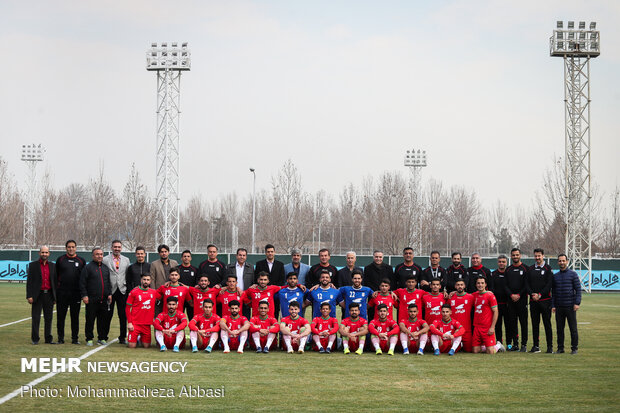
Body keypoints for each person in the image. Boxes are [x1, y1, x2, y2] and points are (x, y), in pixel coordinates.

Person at [55, 240, 86, 344]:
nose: (71, 249)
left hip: (76, 294)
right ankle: (60, 338)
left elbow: (84, 279)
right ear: (66, 248)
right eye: (69, 247)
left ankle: (75, 339)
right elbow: (55, 277)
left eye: (73, 247)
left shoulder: (81, 261)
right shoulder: (60, 260)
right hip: (62, 294)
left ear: (76, 248)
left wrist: (83, 293)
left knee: (75, 317)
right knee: (60, 317)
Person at [80, 247, 112, 346]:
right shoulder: (88, 268)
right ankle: (89, 338)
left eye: (101, 254)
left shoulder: (105, 268)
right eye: (97, 254)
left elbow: (108, 283)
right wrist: (84, 295)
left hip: (104, 299)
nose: (99, 256)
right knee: (90, 320)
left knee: (102, 321)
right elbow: (82, 283)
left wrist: (109, 294)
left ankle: (102, 338)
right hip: (91, 299)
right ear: (93, 256)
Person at [26, 246, 58, 345]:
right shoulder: (33, 265)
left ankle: (48, 339)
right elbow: (29, 282)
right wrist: (29, 295)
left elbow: (55, 282)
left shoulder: (53, 266)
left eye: (46, 252)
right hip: (37, 295)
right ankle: (35, 339)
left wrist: (55, 297)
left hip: (49, 294)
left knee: (49, 318)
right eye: (43, 252)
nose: (44, 254)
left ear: (49, 254)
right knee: (36, 318)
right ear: (39, 253)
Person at [552, 254, 581, 355]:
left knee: (573, 329)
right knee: (559, 329)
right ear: (558, 262)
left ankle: (574, 348)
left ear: (567, 261)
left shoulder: (573, 274)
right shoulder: (555, 276)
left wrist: (577, 303)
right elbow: (554, 293)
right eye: (560, 261)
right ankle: (560, 348)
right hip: (559, 307)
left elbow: (578, 290)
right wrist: (553, 305)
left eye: (563, 261)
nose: (562, 263)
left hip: (570, 306)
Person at [102, 240, 130, 344]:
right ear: (111, 247)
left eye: (119, 247)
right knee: (107, 315)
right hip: (110, 291)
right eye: (115, 247)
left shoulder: (126, 260)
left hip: (122, 291)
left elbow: (126, 274)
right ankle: (104, 336)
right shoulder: (105, 260)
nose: (117, 249)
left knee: (123, 316)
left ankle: (122, 337)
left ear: (121, 248)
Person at [526, 248, 554, 354]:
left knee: (547, 324)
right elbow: (527, 284)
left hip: (545, 301)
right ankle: (536, 346)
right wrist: (532, 294)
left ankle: (550, 347)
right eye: (536, 256)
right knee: (535, 324)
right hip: (533, 301)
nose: (537, 258)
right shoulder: (530, 269)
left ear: (543, 256)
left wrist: (540, 295)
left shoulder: (548, 269)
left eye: (539, 256)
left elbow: (549, 285)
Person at [505, 248, 529, 352]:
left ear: (520, 255)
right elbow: (505, 285)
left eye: (517, 255)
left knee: (524, 323)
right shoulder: (508, 269)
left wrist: (519, 294)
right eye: (513, 255)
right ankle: (515, 344)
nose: (515, 257)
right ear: (511, 256)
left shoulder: (525, 268)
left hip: (522, 300)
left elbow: (526, 285)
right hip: (511, 301)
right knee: (512, 323)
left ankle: (524, 344)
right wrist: (511, 295)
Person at [472, 276, 503, 354]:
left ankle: (498, 345)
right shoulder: (474, 295)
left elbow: (496, 312)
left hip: (487, 327)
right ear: (476, 285)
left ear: (485, 284)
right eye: (478, 283)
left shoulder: (490, 295)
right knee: (475, 351)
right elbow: (464, 295)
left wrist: (492, 327)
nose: (480, 285)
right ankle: (484, 346)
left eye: (482, 283)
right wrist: (453, 292)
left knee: (490, 352)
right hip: (477, 327)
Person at [125, 273, 157, 348]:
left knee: (146, 346)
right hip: (135, 323)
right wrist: (129, 323)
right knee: (131, 346)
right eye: (144, 279)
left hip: (147, 324)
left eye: (148, 280)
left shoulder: (154, 292)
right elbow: (127, 308)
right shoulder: (134, 292)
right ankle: (132, 337)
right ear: (141, 280)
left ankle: (139, 338)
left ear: (150, 281)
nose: (146, 281)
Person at [491, 255, 511, 348]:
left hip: (508, 304)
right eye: (500, 261)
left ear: (506, 262)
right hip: (497, 305)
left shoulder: (509, 273)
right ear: (497, 262)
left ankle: (509, 343)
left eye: (503, 261)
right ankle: (499, 342)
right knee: (497, 325)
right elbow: (492, 289)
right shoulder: (494, 274)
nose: (501, 263)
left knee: (509, 324)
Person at [449, 279, 474, 352]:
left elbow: (480, 294)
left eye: (461, 285)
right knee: (453, 349)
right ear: (455, 286)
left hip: (467, 330)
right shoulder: (450, 297)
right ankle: (459, 345)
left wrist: (488, 291)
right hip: (454, 330)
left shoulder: (470, 297)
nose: (460, 286)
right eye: (458, 285)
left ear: (464, 286)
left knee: (469, 350)